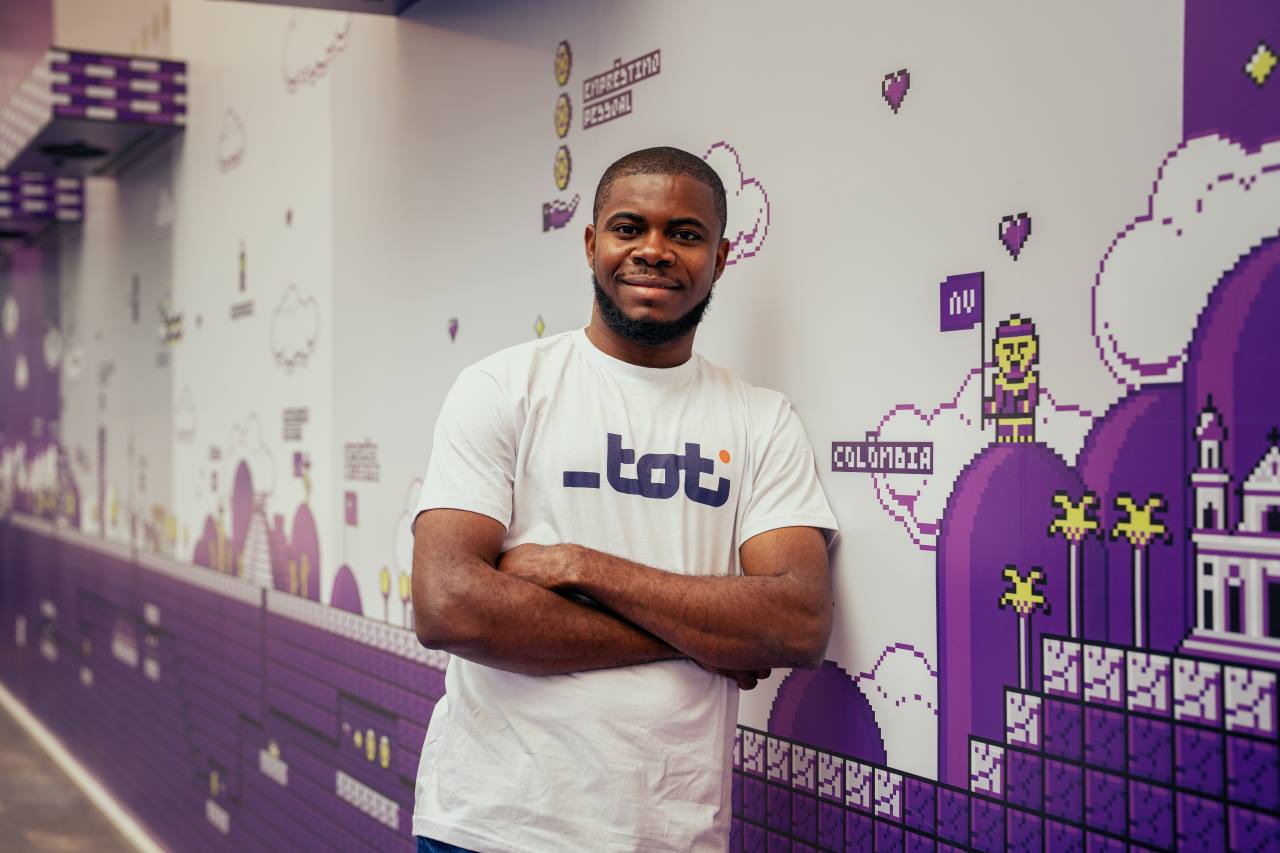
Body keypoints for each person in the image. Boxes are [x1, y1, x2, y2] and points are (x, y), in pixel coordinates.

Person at [410, 146, 839, 853]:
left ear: (722, 256)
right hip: (490, 826)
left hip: (670, 834)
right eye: (629, 227)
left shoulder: (762, 419)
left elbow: (796, 622)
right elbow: (448, 603)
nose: (654, 250)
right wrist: (696, 640)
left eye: (685, 233)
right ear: (591, 243)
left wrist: (578, 565)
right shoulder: (503, 388)